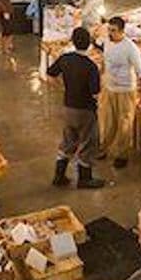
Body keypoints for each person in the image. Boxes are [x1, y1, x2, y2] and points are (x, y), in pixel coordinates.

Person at [47, 27, 104, 189]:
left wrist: (62, 88)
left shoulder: (65, 58)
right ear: (89, 45)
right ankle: (84, 179)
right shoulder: (91, 66)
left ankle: (59, 176)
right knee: (87, 142)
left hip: (68, 107)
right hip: (85, 110)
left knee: (68, 141)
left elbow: (50, 74)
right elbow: (95, 92)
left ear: (73, 42)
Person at [99, 15, 141, 169]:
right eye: (109, 30)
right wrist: (101, 79)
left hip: (126, 90)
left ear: (121, 31)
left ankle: (122, 154)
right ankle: (104, 147)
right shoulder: (107, 42)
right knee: (108, 121)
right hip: (110, 88)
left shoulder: (131, 48)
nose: (110, 33)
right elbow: (104, 61)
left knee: (124, 123)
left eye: (113, 31)